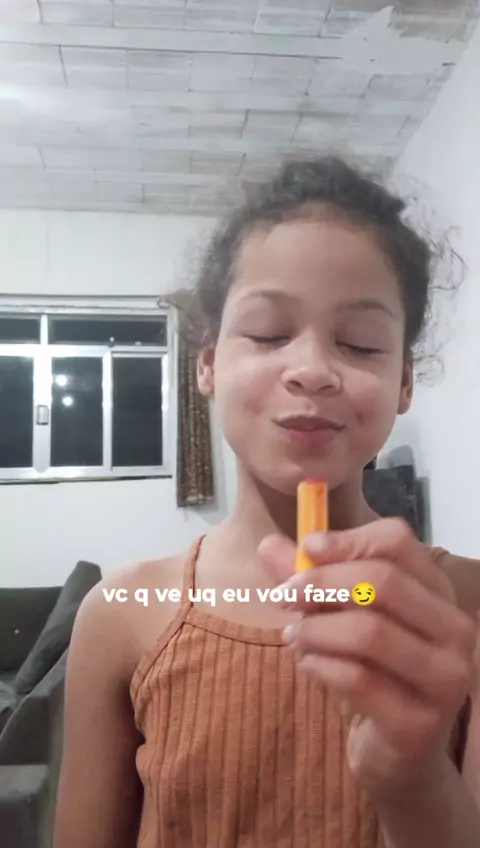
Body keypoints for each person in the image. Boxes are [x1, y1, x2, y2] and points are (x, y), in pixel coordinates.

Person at [53, 157, 480, 848]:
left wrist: (412, 778)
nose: (311, 369)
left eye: (359, 343)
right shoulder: (121, 613)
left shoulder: (464, 610)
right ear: (208, 363)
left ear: (404, 381)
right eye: (269, 333)